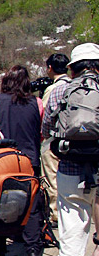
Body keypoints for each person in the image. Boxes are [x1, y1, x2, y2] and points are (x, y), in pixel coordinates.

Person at [42, 43, 99, 256]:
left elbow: (46, 128)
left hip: (70, 169)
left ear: (72, 69)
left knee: (72, 232)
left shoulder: (61, 90)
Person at [0, 65, 45, 255]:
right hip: (30, 158)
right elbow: (40, 132)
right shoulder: (37, 102)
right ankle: (33, 246)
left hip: (3, 158)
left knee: (0, 200)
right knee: (32, 203)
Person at [41, 53, 70, 226]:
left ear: (50, 68)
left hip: (54, 139)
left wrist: (44, 137)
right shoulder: (74, 85)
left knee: (52, 178)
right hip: (74, 139)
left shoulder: (54, 89)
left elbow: (45, 115)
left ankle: (55, 215)